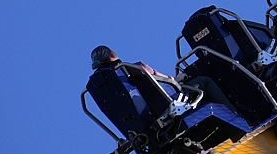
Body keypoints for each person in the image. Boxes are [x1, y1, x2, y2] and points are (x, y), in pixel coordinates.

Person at [90, 46, 232, 108]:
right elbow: (160, 79)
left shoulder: (108, 85)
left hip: (148, 113)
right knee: (204, 80)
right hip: (169, 101)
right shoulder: (132, 68)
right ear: (111, 55)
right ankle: (234, 113)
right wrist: (178, 79)